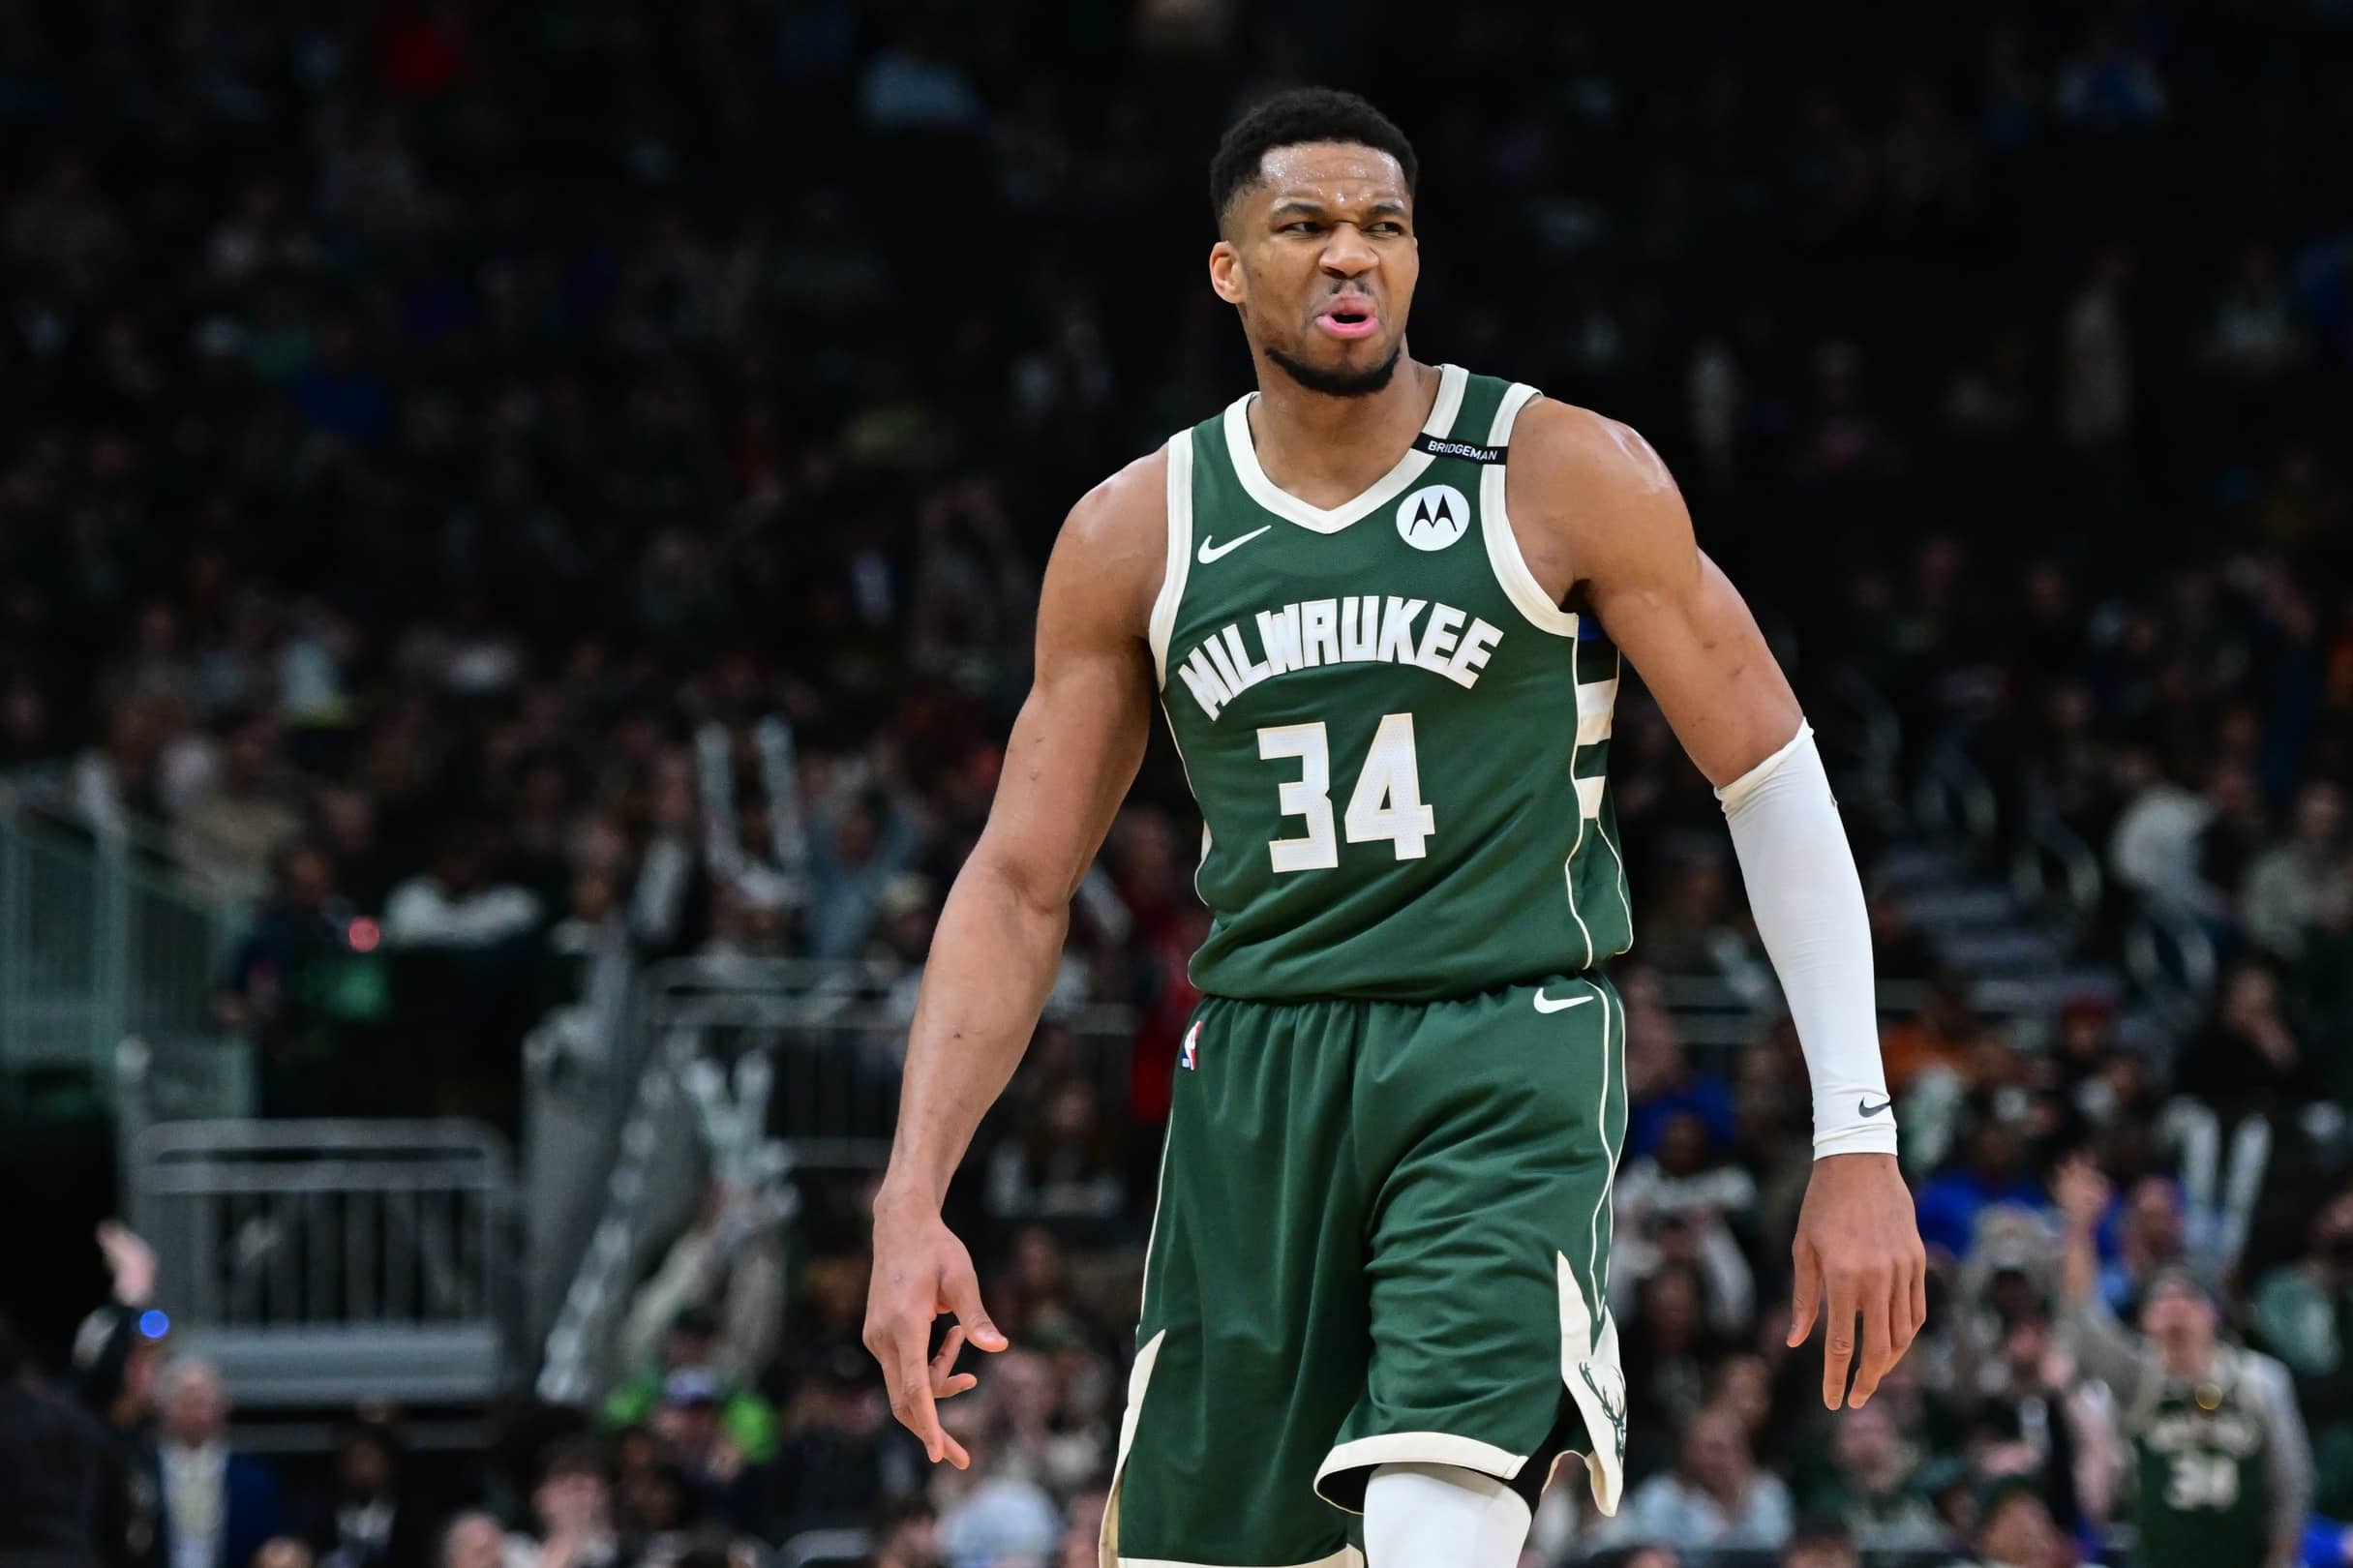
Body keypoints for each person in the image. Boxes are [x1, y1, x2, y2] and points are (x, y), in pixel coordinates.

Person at [863, 86, 1925, 1568]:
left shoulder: (1559, 471)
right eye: (1303, 228)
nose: (1348, 258)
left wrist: (1853, 1133)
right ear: (1229, 269)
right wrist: (909, 1196)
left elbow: (1770, 774)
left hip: (1498, 1042)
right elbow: (1019, 883)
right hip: (1254, 1076)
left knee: (1437, 1516)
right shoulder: (1135, 530)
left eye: (1382, 228)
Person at [2058, 1157, 2311, 1568]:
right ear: (2146, 1321)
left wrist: (2282, 1555)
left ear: (2212, 1314)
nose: (2175, 1309)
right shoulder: (2139, 1378)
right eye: (2162, 1300)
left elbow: (2291, 1481)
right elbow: (2080, 1320)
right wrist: (2078, 1228)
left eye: (2188, 1298)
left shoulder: (2260, 1380)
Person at [151, 1358, 282, 1568]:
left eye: (202, 1400)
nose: (194, 1411)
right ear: (164, 1407)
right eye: (185, 1399)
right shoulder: (142, 1470)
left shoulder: (253, 1479)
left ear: (223, 1406)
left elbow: (272, 1544)